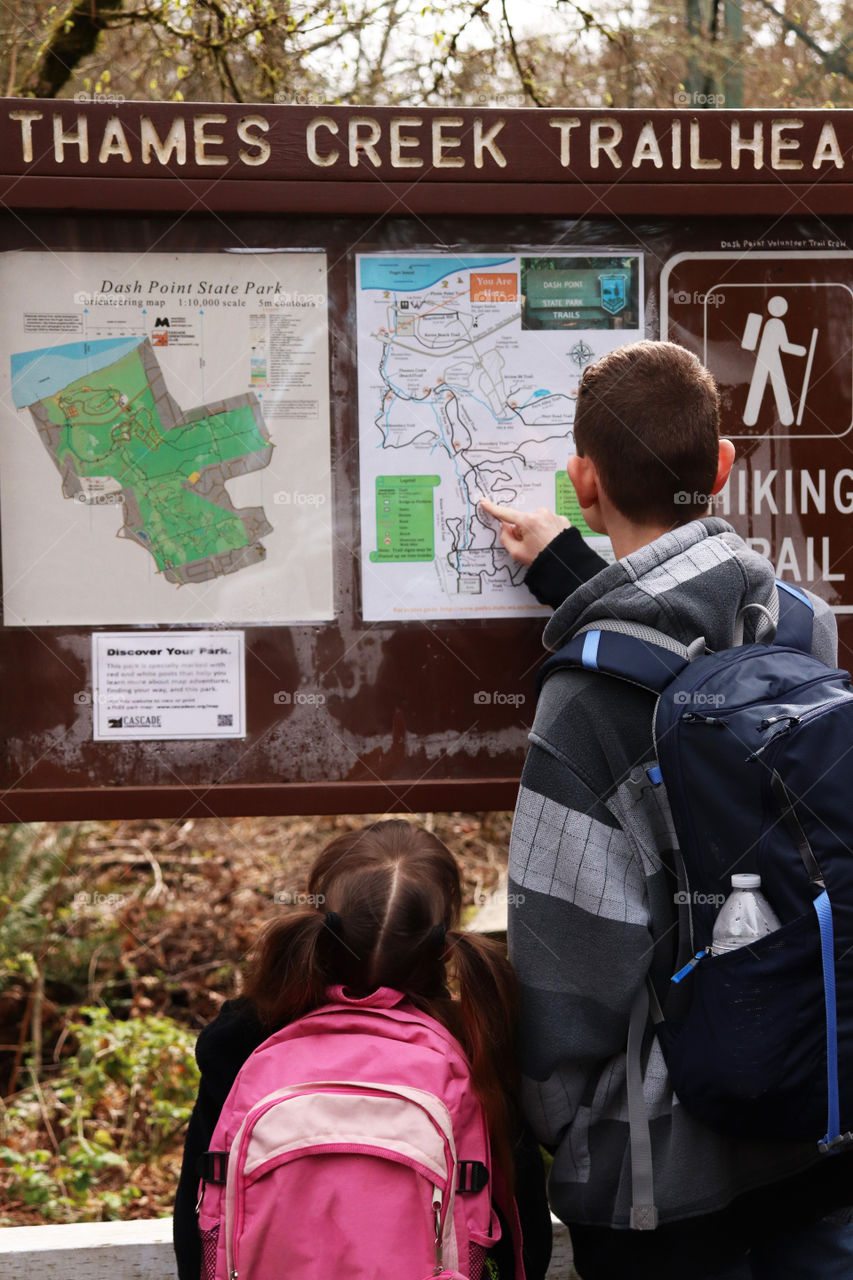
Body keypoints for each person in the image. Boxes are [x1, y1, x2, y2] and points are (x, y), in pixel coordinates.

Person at [483, 340, 853, 1279]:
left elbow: (571, 957)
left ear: (581, 480)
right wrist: (571, 575)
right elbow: (703, 678)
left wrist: (565, 1126)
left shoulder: (580, 706)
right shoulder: (806, 625)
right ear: (721, 468)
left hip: (660, 1177)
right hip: (817, 1109)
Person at [173, 819, 552, 1280]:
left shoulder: (244, 1038)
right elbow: (523, 1227)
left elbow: (197, 1219)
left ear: (321, 925)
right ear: (441, 945)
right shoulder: (475, 1035)